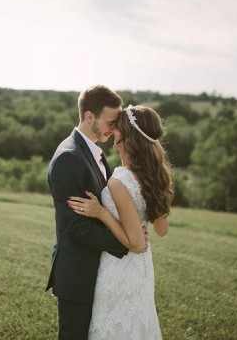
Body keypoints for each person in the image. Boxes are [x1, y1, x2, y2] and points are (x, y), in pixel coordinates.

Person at [46, 86, 149, 340]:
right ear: (89, 116)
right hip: (78, 274)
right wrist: (127, 241)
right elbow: (77, 227)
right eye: (110, 122)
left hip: (99, 272)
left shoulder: (95, 153)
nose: (114, 130)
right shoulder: (69, 158)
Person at [67, 104, 173, 339]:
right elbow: (162, 230)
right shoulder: (157, 176)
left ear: (126, 136)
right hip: (143, 266)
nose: (113, 131)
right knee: (137, 323)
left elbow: (135, 243)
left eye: (117, 128)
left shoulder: (121, 180)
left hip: (120, 265)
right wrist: (139, 224)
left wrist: (102, 213)